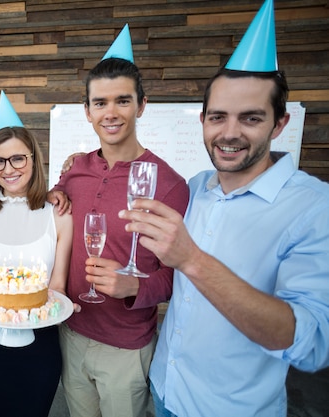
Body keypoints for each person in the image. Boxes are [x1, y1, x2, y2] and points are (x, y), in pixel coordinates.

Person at [120, 1, 329, 415]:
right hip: (164, 390)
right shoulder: (194, 189)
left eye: (250, 118)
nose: (229, 133)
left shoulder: (313, 206)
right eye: (218, 117)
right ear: (202, 121)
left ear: (280, 123)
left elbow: (312, 344)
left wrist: (192, 260)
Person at [52, 26, 189, 417]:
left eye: (122, 101)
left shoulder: (169, 185)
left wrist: (134, 286)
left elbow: (178, 275)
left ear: (142, 105)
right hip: (71, 331)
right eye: (100, 103)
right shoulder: (75, 169)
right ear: (87, 111)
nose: (110, 113)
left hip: (126, 347)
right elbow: (50, 207)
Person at [0, 92, 73, 417]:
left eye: (18, 159)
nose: (8, 169)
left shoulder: (59, 214)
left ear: (34, 160)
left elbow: (58, 287)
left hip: (41, 341)